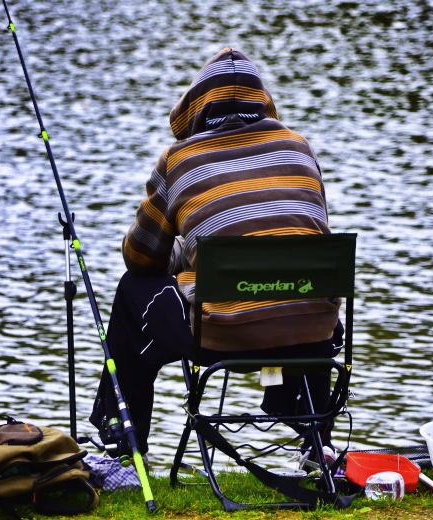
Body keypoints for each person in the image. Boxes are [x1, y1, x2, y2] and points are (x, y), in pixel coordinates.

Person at [90, 47, 342, 466]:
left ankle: (124, 444)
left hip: (222, 334)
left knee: (133, 289)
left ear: (197, 106)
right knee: (297, 283)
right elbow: (305, 234)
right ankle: (318, 446)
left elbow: (139, 257)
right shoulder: (300, 148)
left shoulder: (179, 159)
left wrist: (183, 254)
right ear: (262, 101)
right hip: (313, 335)